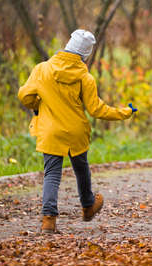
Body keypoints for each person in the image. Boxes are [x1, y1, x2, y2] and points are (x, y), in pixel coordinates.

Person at [18, 29, 137, 234]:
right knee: (81, 168)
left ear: (67, 46)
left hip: (51, 131)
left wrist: (38, 104)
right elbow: (96, 109)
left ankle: (48, 220)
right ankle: (88, 206)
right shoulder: (85, 77)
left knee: (52, 174)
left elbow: (25, 96)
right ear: (84, 56)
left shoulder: (42, 69)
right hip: (76, 132)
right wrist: (124, 112)